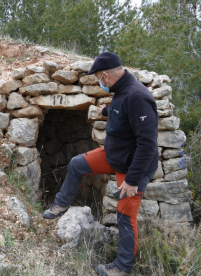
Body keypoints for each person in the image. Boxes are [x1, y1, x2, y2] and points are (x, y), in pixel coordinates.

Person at [42, 52, 159, 276]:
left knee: (125, 214)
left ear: (105, 76)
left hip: (134, 166)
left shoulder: (138, 96)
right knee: (77, 164)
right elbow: (120, 112)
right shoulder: (121, 90)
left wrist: (132, 181)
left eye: (98, 78)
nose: (99, 82)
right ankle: (61, 204)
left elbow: (147, 145)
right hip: (115, 155)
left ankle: (122, 266)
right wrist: (104, 111)